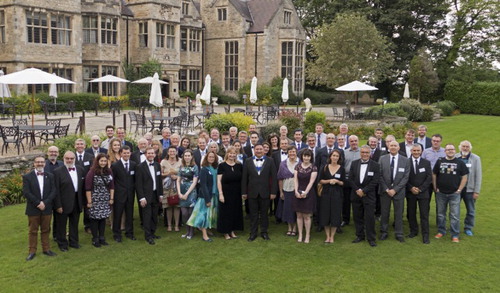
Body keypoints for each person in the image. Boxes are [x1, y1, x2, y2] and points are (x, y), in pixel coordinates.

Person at [23, 156, 57, 261]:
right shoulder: (27, 177)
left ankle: (46, 249)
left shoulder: (50, 176)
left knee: (46, 229)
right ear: (34, 164)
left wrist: (45, 203)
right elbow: (26, 192)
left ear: (45, 164)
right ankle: (32, 251)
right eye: (38, 162)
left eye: (42, 162)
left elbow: (53, 191)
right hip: (33, 208)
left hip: (46, 207)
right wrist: (38, 203)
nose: (40, 164)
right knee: (33, 230)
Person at [433, 144, 469, 243]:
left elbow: (464, 177)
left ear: (455, 150)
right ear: (445, 151)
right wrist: (435, 187)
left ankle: (455, 234)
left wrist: (459, 190)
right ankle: (441, 231)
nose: (450, 151)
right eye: (448, 149)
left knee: (454, 215)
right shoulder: (440, 161)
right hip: (441, 193)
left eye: (452, 149)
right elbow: (434, 174)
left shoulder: (460, 162)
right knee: (440, 214)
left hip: (454, 194)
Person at [241, 144, 277, 241]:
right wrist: (244, 192)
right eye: (257, 149)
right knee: (253, 214)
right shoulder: (248, 161)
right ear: (254, 150)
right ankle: (253, 233)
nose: (259, 151)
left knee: (265, 213)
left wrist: (273, 192)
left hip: (265, 192)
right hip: (252, 192)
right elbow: (244, 178)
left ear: (264, 150)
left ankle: (264, 232)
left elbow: (274, 178)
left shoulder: (270, 160)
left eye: (261, 149)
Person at [378, 140, 410, 242]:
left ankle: (399, 233)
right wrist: (387, 189)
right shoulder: (382, 159)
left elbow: (405, 177)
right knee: (384, 212)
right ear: (388, 147)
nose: (393, 147)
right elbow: (379, 175)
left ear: (398, 147)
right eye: (391, 145)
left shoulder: (405, 160)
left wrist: (395, 190)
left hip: (399, 191)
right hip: (385, 191)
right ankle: (384, 232)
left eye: (395, 145)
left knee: (399, 213)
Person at [349, 146, 380, 247]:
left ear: (370, 153)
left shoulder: (375, 165)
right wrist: (357, 190)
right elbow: (350, 179)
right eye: (363, 152)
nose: (365, 154)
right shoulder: (354, 163)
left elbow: (375, 181)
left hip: (369, 195)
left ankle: (371, 238)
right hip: (356, 194)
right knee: (357, 216)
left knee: (370, 217)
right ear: (360, 153)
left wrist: (364, 190)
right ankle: (360, 235)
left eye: (367, 152)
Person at [53, 151, 84, 252]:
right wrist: (58, 205)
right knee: (61, 225)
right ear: (64, 159)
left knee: (74, 223)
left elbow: (82, 187)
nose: (69, 160)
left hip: (76, 200)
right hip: (63, 202)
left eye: (71, 158)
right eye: (67, 158)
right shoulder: (57, 171)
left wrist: (82, 202)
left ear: (75, 159)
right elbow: (55, 190)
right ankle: (62, 244)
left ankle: (74, 242)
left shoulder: (80, 169)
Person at [187, 151, 219, 242]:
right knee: (203, 215)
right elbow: (203, 185)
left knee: (210, 215)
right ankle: (204, 235)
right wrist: (207, 199)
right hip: (206, 196)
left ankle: (208, 230)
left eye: (213, 157)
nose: (211, 158)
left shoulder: (216, 168)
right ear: (206, 158)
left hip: (214, 195)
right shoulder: (204, 169)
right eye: (210, 157)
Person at [85, 153, 114, 247]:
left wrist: (111, 198)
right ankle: (95, 238)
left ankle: (102, 237)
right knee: (94, 219)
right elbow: (88, 188)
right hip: (95, 199)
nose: (103, 163)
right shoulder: (92, 172)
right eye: (101, 161)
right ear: (97, 161)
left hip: (105, 198)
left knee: (103, 219)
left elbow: (112, 186)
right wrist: (89, 201)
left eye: (105, 161)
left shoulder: (108, 171)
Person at [136, 147, 163, 245]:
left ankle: (152, 232)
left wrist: (160, 194)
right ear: (145, 154)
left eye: (152, 153)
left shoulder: (157, 165)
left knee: (154, 216)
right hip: (146, 195)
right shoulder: (140, 167)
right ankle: (148, 236)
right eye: (149, 153)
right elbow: (138, 184)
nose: (151, 155)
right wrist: (141, 197)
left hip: (156, 194)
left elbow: (159, 181)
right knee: (147, 216)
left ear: (155, 155)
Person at [406, 144, 432, 244]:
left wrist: (420, 189)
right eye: (414, 151)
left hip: (423, 193)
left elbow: (429, 177)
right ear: (411, 151)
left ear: (421, 151)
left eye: (418, 151)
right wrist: (411, 188)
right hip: (410, 192)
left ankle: (425, 235)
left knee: (424, 215)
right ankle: (413, 231)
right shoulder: (406, 162)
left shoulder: (426, 162)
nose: (416, 152)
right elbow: (404, 177)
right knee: (411, 213)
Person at [110, 145, 137, 242]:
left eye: (128, 153)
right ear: (120, 153)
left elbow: (135, 180)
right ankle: (117, 234)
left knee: (130, 215)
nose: (126, 154)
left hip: (130, 194)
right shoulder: (115, 166)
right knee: (118, 214)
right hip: (119, 194)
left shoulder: (134, 164)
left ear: (130, 153)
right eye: (124, 153)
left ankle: (129, 233)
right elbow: (112, 181)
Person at [318, 150, 344, 244]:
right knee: (325, 214)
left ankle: (332, 236)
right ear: (330, 157)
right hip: (326, 193)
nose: (335, 157)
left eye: (337, 156)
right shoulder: (324, 167)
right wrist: (329, 181)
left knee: (335, 214)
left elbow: (343, 182)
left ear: (339, 158)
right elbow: (320, 180)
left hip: (337, 194)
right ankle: (327, 236)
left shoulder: (341, 168)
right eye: (334, 155)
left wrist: (337, 181)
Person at [217, 147, 244, 240]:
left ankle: (232, 231)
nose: (232, 155)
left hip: (236, 192)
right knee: (226, 212)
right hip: (225, 192)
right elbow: (219, 181)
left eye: (234, 153)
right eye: (230, 153)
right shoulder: (222, 165)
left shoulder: (239, 165)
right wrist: (220, 194)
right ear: (227, 154)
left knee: (234, 211)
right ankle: (226, 232)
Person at [456, 140, 482, 236]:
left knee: (470, 210)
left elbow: (478, 176)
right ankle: (455, 227)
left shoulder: (476, 158)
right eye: (463, 146)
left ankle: (468, 227)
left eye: (467, 146)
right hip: (457, 189)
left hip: (470, 190)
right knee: (455, 209)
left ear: (470, 148)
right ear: (460, 147)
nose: (465, 148)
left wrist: (477, 191)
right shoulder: (455, 157)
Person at [293, 149, 317, 243]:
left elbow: (311, 182)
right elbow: (295, 180)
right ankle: (300, 235)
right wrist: (296, 191)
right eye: (304, 156)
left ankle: (307, 235)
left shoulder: (314, 168)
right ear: (302, 156)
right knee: (299, 215)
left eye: (308, 156)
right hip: (298, 192)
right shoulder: (297, 167)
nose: (306, 158)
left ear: (311, 157)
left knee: (307, 216)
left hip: (309, 193)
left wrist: (305, 192)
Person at [177, 149, 199, 239]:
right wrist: (179, 193)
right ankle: (187, 230)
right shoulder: (181, 167)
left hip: (191, 192)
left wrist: (187, 194)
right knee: (184, 213)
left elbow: (194, 182)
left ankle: (191, 232)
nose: (187, 157)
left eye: (188, 155)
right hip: (182, 191)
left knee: (190, 213)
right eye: (185, 156)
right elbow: (178, 180)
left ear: (191, 156)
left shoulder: (195, 167)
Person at [277, 146, 299, 236]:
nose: (292, 153)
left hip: (297, 189)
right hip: (287, 189)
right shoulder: (283, 164)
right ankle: (290, 227)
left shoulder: (300, 163)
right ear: (288, 153)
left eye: (293, 152)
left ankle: (295, 228)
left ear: (296, 152)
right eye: (290, 152)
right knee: (288, 209)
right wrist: (281, 191)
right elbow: (280, 178)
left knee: (296, 209)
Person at [161, 146, 181, 232]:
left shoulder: (180, 161)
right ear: (168, 152)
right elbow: (160, 174)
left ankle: (176, 225)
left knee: (177, 206)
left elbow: (184, 173)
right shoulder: (163, 162)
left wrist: (176, 176)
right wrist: (168, 173)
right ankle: (169, 225)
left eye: (174, 151)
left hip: (177, 186)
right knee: (168, 206)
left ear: (176, 152)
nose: (172, 153)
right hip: (167, 187)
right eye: (170, 151)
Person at [342, 135, 360, 227]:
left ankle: (358, 219)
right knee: (346, 201)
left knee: (357, 201)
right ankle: (345, 219)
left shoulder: (362, 152)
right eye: (352, 141)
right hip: (347, 179)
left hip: (358, 180)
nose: (354, 143)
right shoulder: (345, 152)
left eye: (355, 141)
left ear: (358, 141)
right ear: (349, 142)